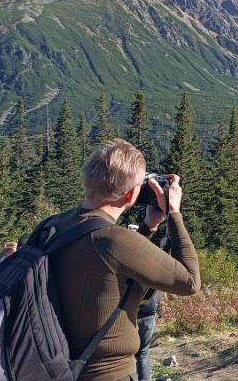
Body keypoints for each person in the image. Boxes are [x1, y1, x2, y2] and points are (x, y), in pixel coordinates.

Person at [44, 139, 200, 381]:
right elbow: (190, 282)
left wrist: (148, 227)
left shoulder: (51, 226)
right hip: (107, 373)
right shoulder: (114, 239)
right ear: (130, 194)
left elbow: (110, 266)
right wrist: (173, 213)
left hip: (52, 367)